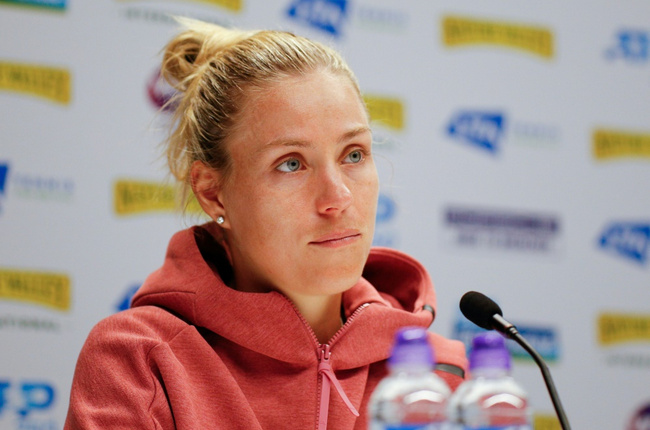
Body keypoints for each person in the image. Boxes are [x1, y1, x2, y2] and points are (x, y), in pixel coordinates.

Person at [65, 18, 468, 430]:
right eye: (291, 164)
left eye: (354, 154)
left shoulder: (446, 377)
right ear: (213, 193)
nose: (338, 197)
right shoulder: (141, 362)